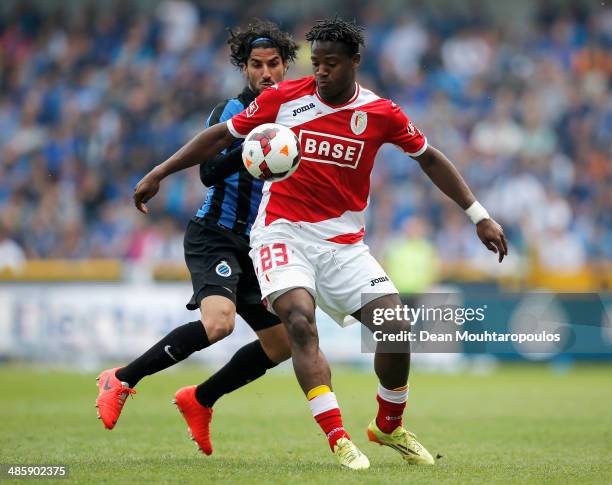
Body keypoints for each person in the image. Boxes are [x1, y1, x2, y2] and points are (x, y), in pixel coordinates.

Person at [133, 17, 508, 470]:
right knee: (298, 321)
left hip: (344, 243)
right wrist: (159, 172)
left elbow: (429, 158)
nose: (322, 72)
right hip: (281, 232)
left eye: (332, 64)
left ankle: (388, 425)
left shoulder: (380, 113)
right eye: (317, 63)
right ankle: (338, 436)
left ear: (354, 62)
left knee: (394, 327)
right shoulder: (286, 98)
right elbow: (219, 136)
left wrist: (478, 215)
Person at [96, 20, 298, 457]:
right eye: (257, 65)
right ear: (244, 70)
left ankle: (200, 399)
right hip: (216, 235)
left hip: (259, 244)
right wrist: (255, 149)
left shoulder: (297, 112)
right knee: (219, 323)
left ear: (286, 66)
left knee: (282, 344)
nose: (267, 73)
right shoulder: (231, 112)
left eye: (274, 64)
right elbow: (208, 171)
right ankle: (122, 378)